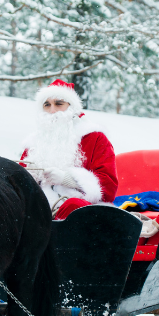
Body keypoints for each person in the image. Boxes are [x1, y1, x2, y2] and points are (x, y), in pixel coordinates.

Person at [20, 79, 118, 220]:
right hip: (41, 207)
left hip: (81, 209)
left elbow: (108, 188)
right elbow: (20, 181)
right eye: (47, 105)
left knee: (73, 206)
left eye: (59, 104)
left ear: (71, 107)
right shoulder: (34, 143)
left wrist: (68, 180)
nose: (52, 110)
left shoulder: (95, 138)